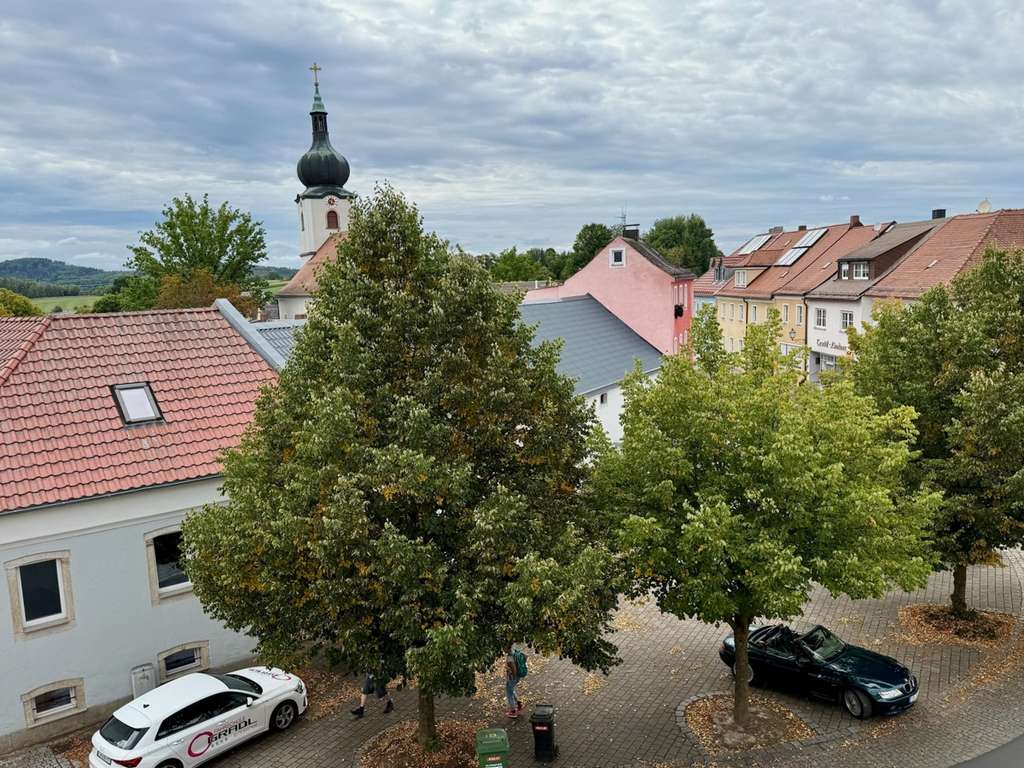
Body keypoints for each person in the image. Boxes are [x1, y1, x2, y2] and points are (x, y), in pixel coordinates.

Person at [504, 647, 524, 718]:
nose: (503, 650)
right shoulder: (515, 651)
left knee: (509, 693)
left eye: (504, 648)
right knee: (511, 689)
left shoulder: (510, 658)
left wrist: (509, 671)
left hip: (513, 678)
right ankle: (519, 704)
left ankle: (513, 711)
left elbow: (514, 670)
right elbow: (525, 656)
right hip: (518, 676)